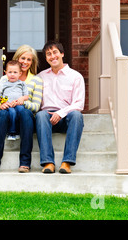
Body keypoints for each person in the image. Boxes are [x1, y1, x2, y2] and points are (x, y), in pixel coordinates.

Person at [0, 45, 43, 173]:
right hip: (8, 115)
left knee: (24, 112)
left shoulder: (36, 80)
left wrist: (22, 102)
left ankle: (24, 163)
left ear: (32, 62)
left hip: (25, 119)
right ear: (17, 58)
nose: (25, 62)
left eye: (29, 59)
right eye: (23, 58)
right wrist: (2, 105)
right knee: (1, 114)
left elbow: (36, 106)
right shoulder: (5, 78)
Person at [35, 40, 85, 174]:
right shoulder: (40, 77)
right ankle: (48, 162)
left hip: (66, 117)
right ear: (46, 58)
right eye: (48, 54)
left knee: (77, 115)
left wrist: (61, 113)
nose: (52, 56)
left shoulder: (75, 77)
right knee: (40, 115)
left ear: (62, 54)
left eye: (55, 52)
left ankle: (67, 162)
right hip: (46, 119)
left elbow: (79, 104)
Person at [0, 60, 29, 140]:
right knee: (12, 112)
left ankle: (20, 130)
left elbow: (26, 96)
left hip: (18, 104)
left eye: (15, 72)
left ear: (20, 73)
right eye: (10, 72)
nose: (12, 74)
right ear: (6, 73)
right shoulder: (4, 84)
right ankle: (12, 132)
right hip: (9, 105)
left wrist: (22, 98)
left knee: (22, 111)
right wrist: (3, 102)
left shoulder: (22, 83)